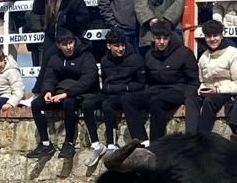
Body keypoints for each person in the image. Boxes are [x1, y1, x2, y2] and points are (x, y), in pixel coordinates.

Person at [121, 18, 198, 145]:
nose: (161, 42)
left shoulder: (184, 53)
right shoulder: (149, 54)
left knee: (157, 101)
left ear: (170, 38)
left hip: (177, 89)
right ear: (153, 38)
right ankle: (142, 140)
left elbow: (193, 80)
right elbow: (147, 80)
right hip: (156, 89)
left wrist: (188, 96)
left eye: (165, 38)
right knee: (128, 100)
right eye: (158, 38)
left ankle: (156, 143)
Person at [26, 28, 99, 160]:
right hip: (58, 94)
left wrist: (66, 94)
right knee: (36, 104)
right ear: (58, 45)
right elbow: (49, 78)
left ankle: (68, 143)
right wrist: (47, 91)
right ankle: (45, 143)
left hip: (80, 95)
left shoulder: (86, 56)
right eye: (64, 44)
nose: (68, 47)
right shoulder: (55, 58)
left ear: (74, 41)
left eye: (70, 43)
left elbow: (88, 80)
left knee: (69, 103)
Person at [88, 29, 146, 163]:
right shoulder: (104, 61)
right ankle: (96, 144)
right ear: (109, 46)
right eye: (117, 46)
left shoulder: (135, 59)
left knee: (107, 104)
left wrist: (123, 87)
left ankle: (112, 143)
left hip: (127, 94)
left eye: (122, 45)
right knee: (88, 104)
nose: (120, 49)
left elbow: (141, 84)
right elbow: (105, 83)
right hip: (110, 92)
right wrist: (108, 88)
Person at [183, 19, 237, 134]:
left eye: (215, 35)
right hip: (209, 90)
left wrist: (218, 90)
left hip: (229, 92)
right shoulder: (204, 56)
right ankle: (190, 136)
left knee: (209, 101)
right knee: (191, 100)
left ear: (222, 35)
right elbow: (202, 80)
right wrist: (202, 89)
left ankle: (202, 136)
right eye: (209, 36)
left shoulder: (234, 54)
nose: (212, 39)